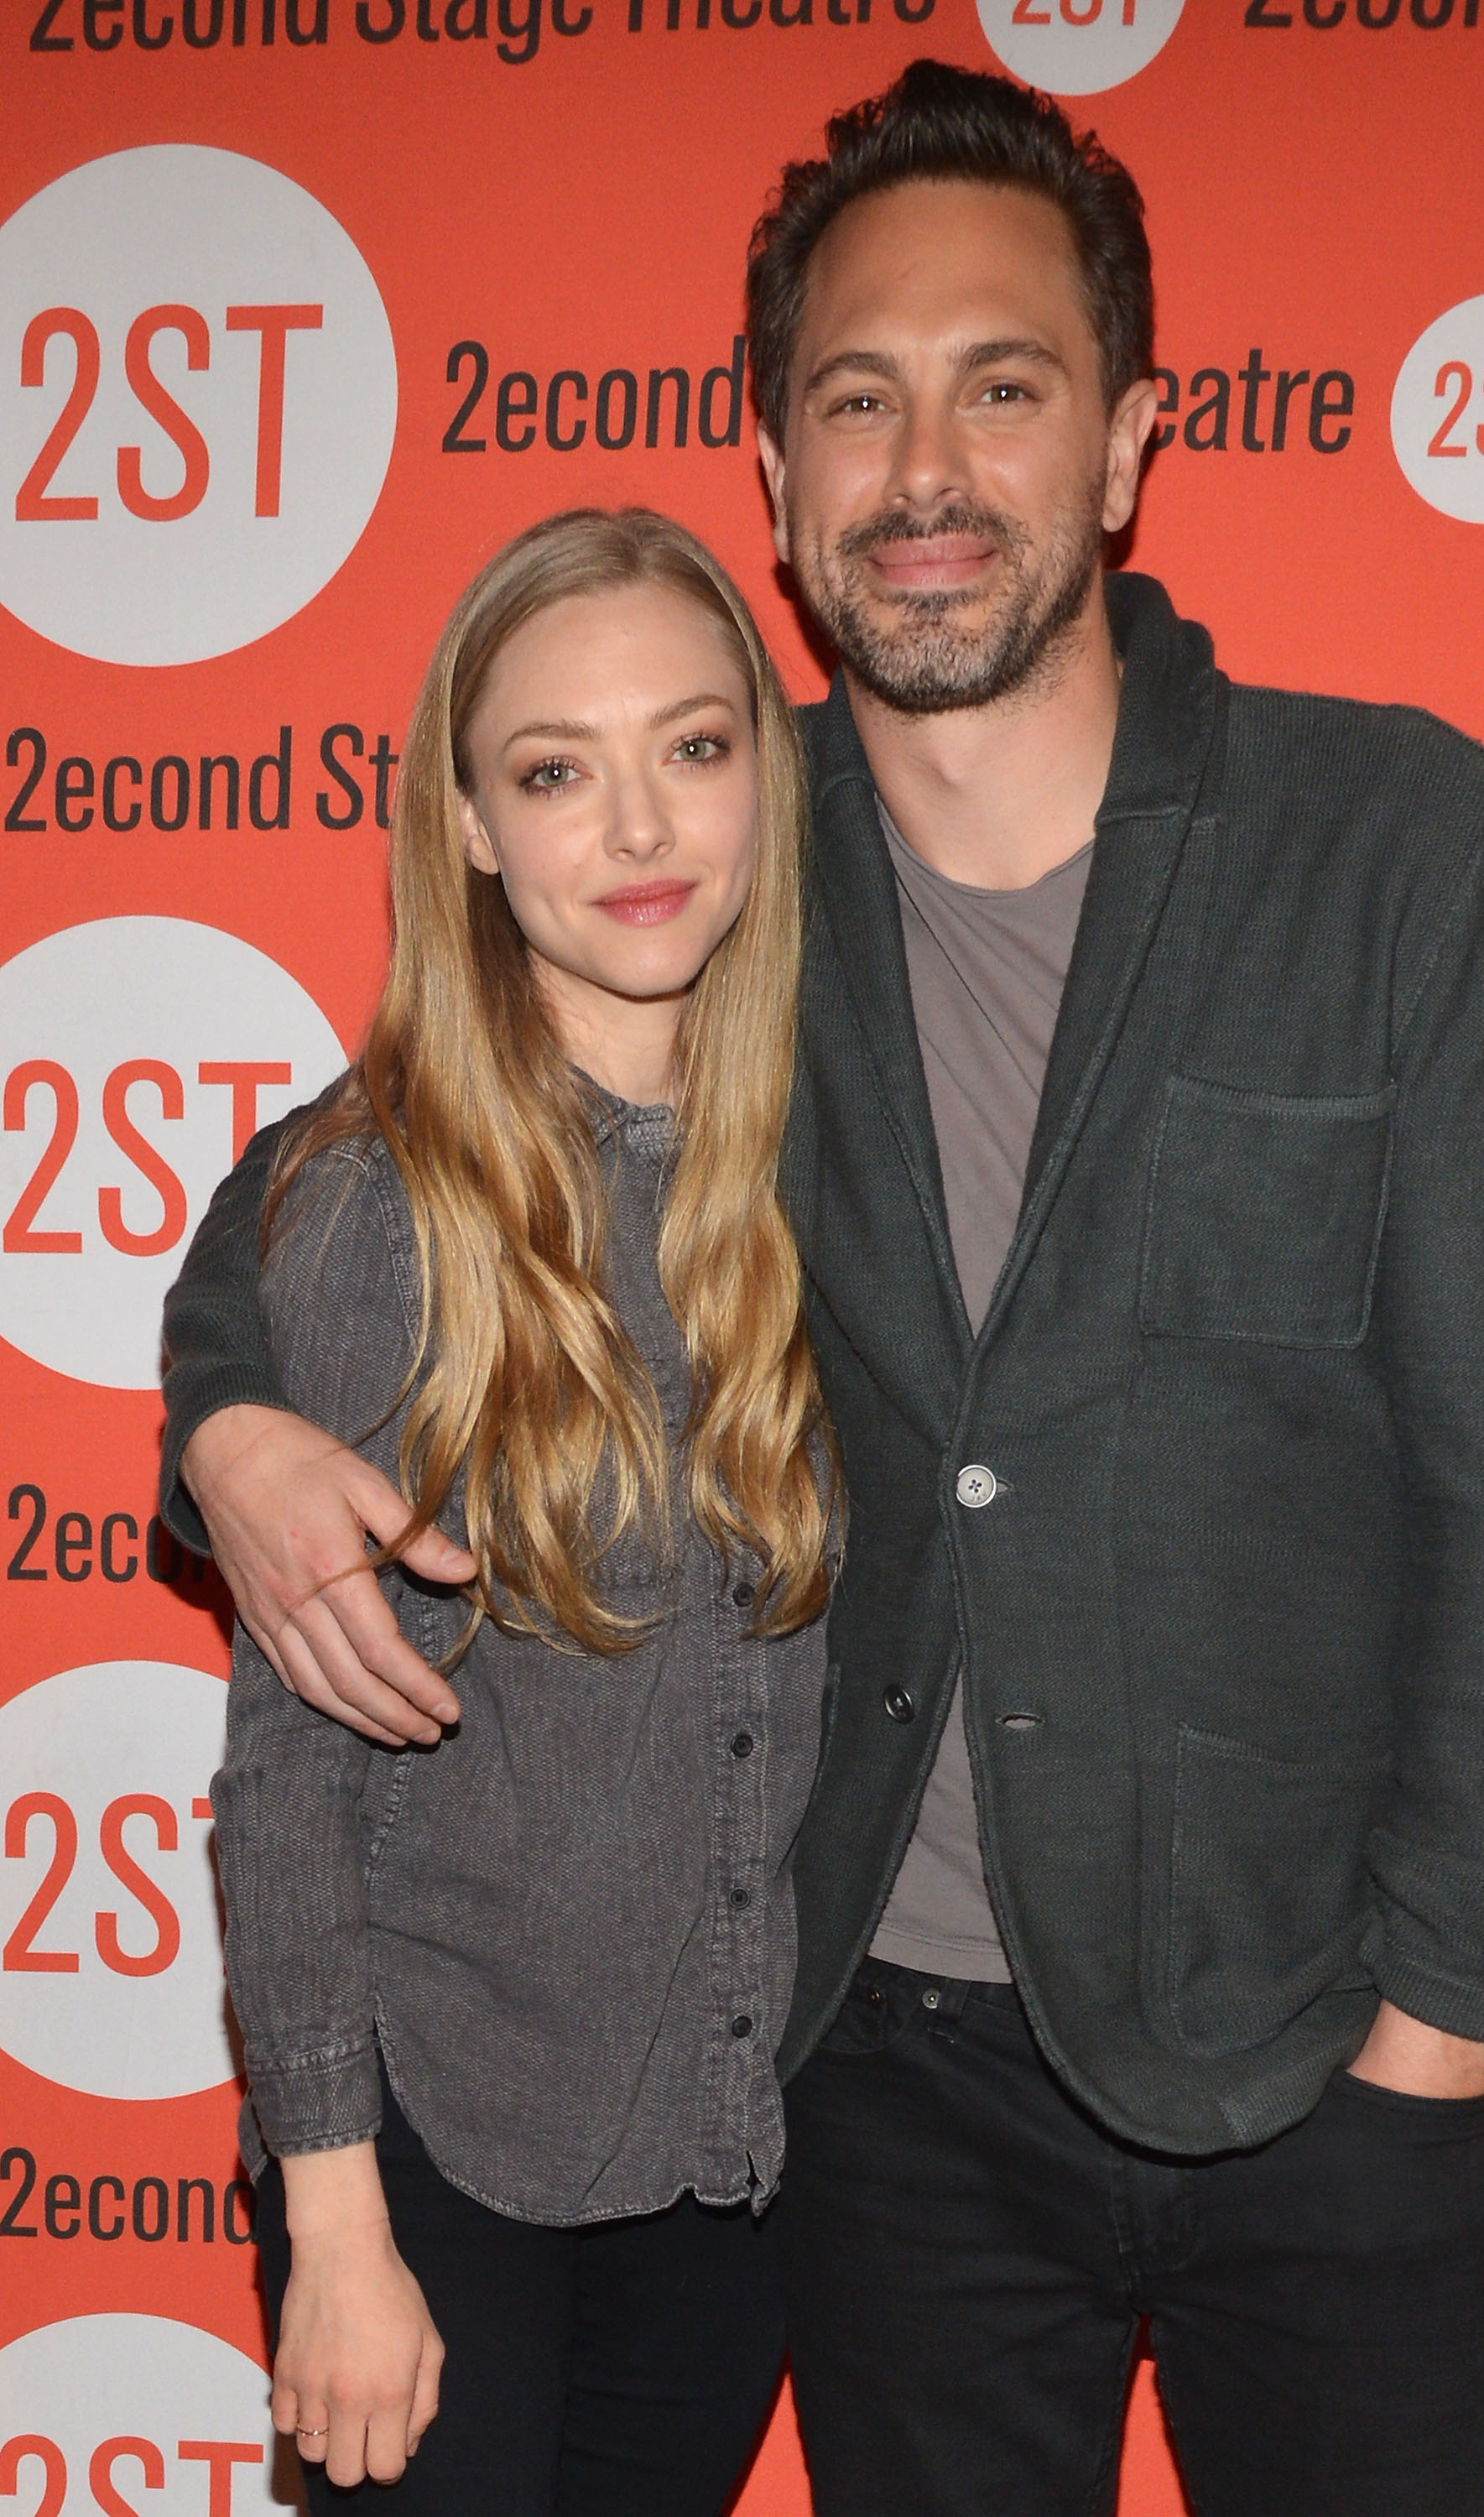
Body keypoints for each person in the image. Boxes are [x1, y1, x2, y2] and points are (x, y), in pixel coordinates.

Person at [161, 64, 1484, 2517]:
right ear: (770, 473)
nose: (923, 464)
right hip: (875, 2102)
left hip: (1332, 2079)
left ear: (1132, 440)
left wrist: (1442, 2035)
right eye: (856, 397)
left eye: (1002, 384)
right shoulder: (730, 857)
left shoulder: (1398, 848)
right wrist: (223, 1407)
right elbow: (386, 1147)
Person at [204, 507, 836, 2514]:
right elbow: (290, 1775)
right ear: (469, 824)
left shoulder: (840, 1169)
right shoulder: (379, 1204)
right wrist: (335, 2230)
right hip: (440, 2165)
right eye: (556, 771)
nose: (637, 824)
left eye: (696, 745)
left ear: (766, 771)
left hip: (734, 2162)